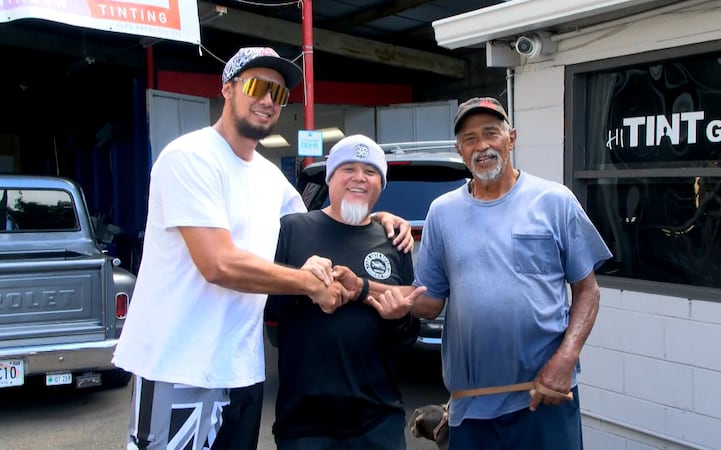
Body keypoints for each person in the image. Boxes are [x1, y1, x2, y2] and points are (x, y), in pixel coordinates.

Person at [111, 47, 413, 450]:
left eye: (279, 94)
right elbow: (218, 263)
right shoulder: (189, 157)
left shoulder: (271, 180)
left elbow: (326, 224)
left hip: (242, 374)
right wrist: (309, 283)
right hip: (178, 368)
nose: (269, 100)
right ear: (228, 89)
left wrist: (376, 218)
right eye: (257, 86)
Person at [408, 97, 613, 449]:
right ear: (459, 150)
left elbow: (587, 291)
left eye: (491, 133)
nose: (482, 145)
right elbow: (428, 302)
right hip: (471, 407)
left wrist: (566, 360)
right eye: (470, 138)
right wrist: (374, 289)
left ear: (511, 138)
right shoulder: (442, 212)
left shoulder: (554, 201)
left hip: (544, 396)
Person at [265, 134, 426, 450]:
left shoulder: (393, 239)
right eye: (348, 169)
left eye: (370, 172)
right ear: (331, 178)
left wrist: (398, 319)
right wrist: (302, 283)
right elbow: (269, 314)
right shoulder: (292, 229)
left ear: (381, 184)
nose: (359, 178)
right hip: (304, 425)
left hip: (379, 421)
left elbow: (406, 338)